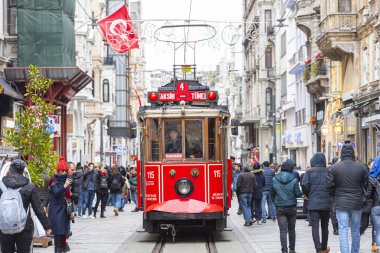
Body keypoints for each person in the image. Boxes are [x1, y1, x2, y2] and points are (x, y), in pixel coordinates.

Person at [0, 159, 52, 253]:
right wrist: (47, 226)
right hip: (24, 226)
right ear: (23, 171)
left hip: (4, 225)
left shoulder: (1, 185)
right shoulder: (29, 186)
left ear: (10, 170)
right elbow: (38, 209)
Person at [326, 144, 368, 253]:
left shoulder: (334, 168)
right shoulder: (361, 168)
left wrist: (336, 194)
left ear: (342, 154)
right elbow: (366, 184)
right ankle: (355, 251)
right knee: (355, 230)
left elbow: (329, 185)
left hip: (341, 202)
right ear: (353, 153)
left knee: (343, 230)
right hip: (356, 203)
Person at [301, 153, 331, 253]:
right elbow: (333, 185)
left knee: (315, 226)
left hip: (313, 203)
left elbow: (304, 184)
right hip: (326, 203)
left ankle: (318, 249)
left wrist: (307, 193)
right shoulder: (329, 171)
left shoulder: (309, 172)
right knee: (325, 226)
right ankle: (324, 247)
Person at [271, 159, 302, 253]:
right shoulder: (294, 179)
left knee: (283, 230)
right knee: (292, 229)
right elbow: (298, 194)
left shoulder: (275, 178)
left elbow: (271, 193)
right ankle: (292, 249)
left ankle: (284, 250)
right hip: (292, 207)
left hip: (280, 207)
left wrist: (275, 201)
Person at [48, 157, 72, 253]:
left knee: (63, 233)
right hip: (56, 210)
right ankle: (58, 250)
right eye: (62, 171)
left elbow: (68, 197)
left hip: (64, 210)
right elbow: (56, 193)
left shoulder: (65, 180)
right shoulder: (54, 181)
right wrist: (65, 186)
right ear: (58, 171)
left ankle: (62, 249)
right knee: (58, 234)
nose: (64, 173)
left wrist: (72, 209)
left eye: (66, 171)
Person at [366, 157, 380, 253]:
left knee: (377, 228)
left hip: (376, 206)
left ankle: (377, 246)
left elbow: (368, 195)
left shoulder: (372, 177)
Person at [329, 156, 339, 235]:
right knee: (334, 212)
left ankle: (337, 227)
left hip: (340, 194)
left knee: (336, 212)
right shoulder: (331, 169)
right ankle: (335, 228)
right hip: (334, 194)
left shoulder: (342, 169)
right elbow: (329, 183)